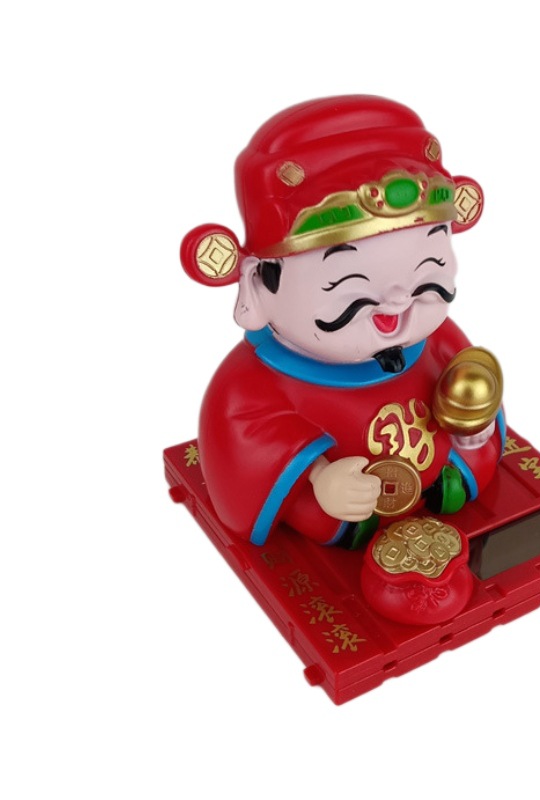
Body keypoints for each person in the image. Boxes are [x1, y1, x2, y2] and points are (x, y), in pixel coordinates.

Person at [181, 95, 505, 550]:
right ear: (259, 282)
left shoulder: (434, 340)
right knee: (314, 513)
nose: (398, 298)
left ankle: (448, 485)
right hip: (344, 517)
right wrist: (318, 477)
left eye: (429, 264)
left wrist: (474, 426)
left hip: (435, 481)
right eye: (349, 279)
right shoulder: (253, 383)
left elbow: (471, 392)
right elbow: (245, 437)